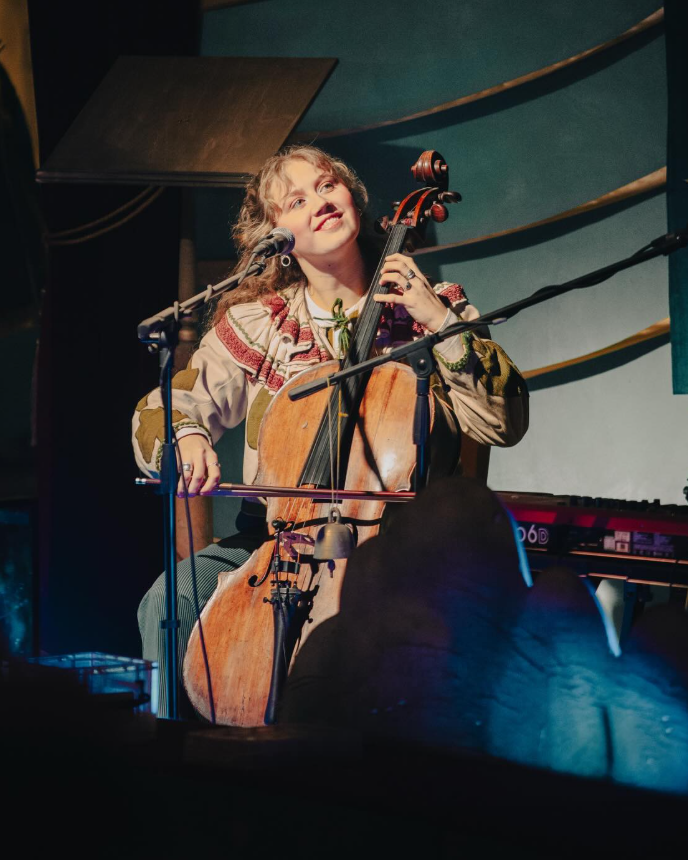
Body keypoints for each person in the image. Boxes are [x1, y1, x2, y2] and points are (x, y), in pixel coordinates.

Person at [133, 145, 529, 717]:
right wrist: (188, 436)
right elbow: (166, 405)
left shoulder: (429, 308)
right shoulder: (261, 322)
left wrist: (440, 322)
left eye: (327, 186)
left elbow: (502, 420)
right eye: (296, 201)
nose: (319, 203)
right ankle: (172, 752)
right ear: (275, 237)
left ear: (354, 200)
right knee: (170, 600)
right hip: (275, 540)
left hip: (398, 543)